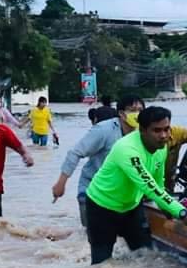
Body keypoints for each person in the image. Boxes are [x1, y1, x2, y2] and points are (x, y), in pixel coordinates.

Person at [84, 105, 187, 265]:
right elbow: (150, 188)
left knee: (146, 257)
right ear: (142, 130)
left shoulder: (161, 147)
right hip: (102, 207)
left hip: (131, 207)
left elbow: (159, 182)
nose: (164, 136)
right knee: (102, 265)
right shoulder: (127, 149)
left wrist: (167, 208)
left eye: (167, 129)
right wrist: (183, 213)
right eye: (157, 131)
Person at [52, 94, 144, 227]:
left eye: (140, 110)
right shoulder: (104, 130)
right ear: (121, 114)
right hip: (92, 190)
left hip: (120, 194)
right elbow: (75, 152)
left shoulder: (144, 134)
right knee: (90, 238)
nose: (137, 114)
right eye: (132, 110)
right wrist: (61, 183)